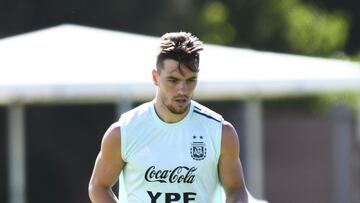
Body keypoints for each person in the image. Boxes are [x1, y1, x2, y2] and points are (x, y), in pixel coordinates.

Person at [88, 31, 248, 203]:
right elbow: (98, 186)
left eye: (191, 80)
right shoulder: (124, 131)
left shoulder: (220, 132)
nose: (183, 90)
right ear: (155, 77)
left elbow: (236, 189)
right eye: (173, 80)